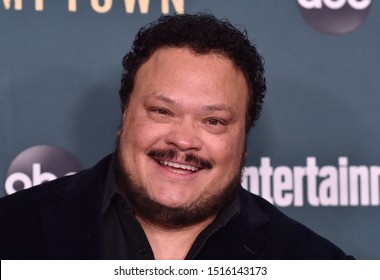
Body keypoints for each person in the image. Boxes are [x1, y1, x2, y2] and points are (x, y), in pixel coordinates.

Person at [0, 13, 353, 260]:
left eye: (213, 121)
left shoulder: (310, 263)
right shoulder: (12, 232)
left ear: (243, 140)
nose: (183, 141)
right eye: (162, 111)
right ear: (125, 116)